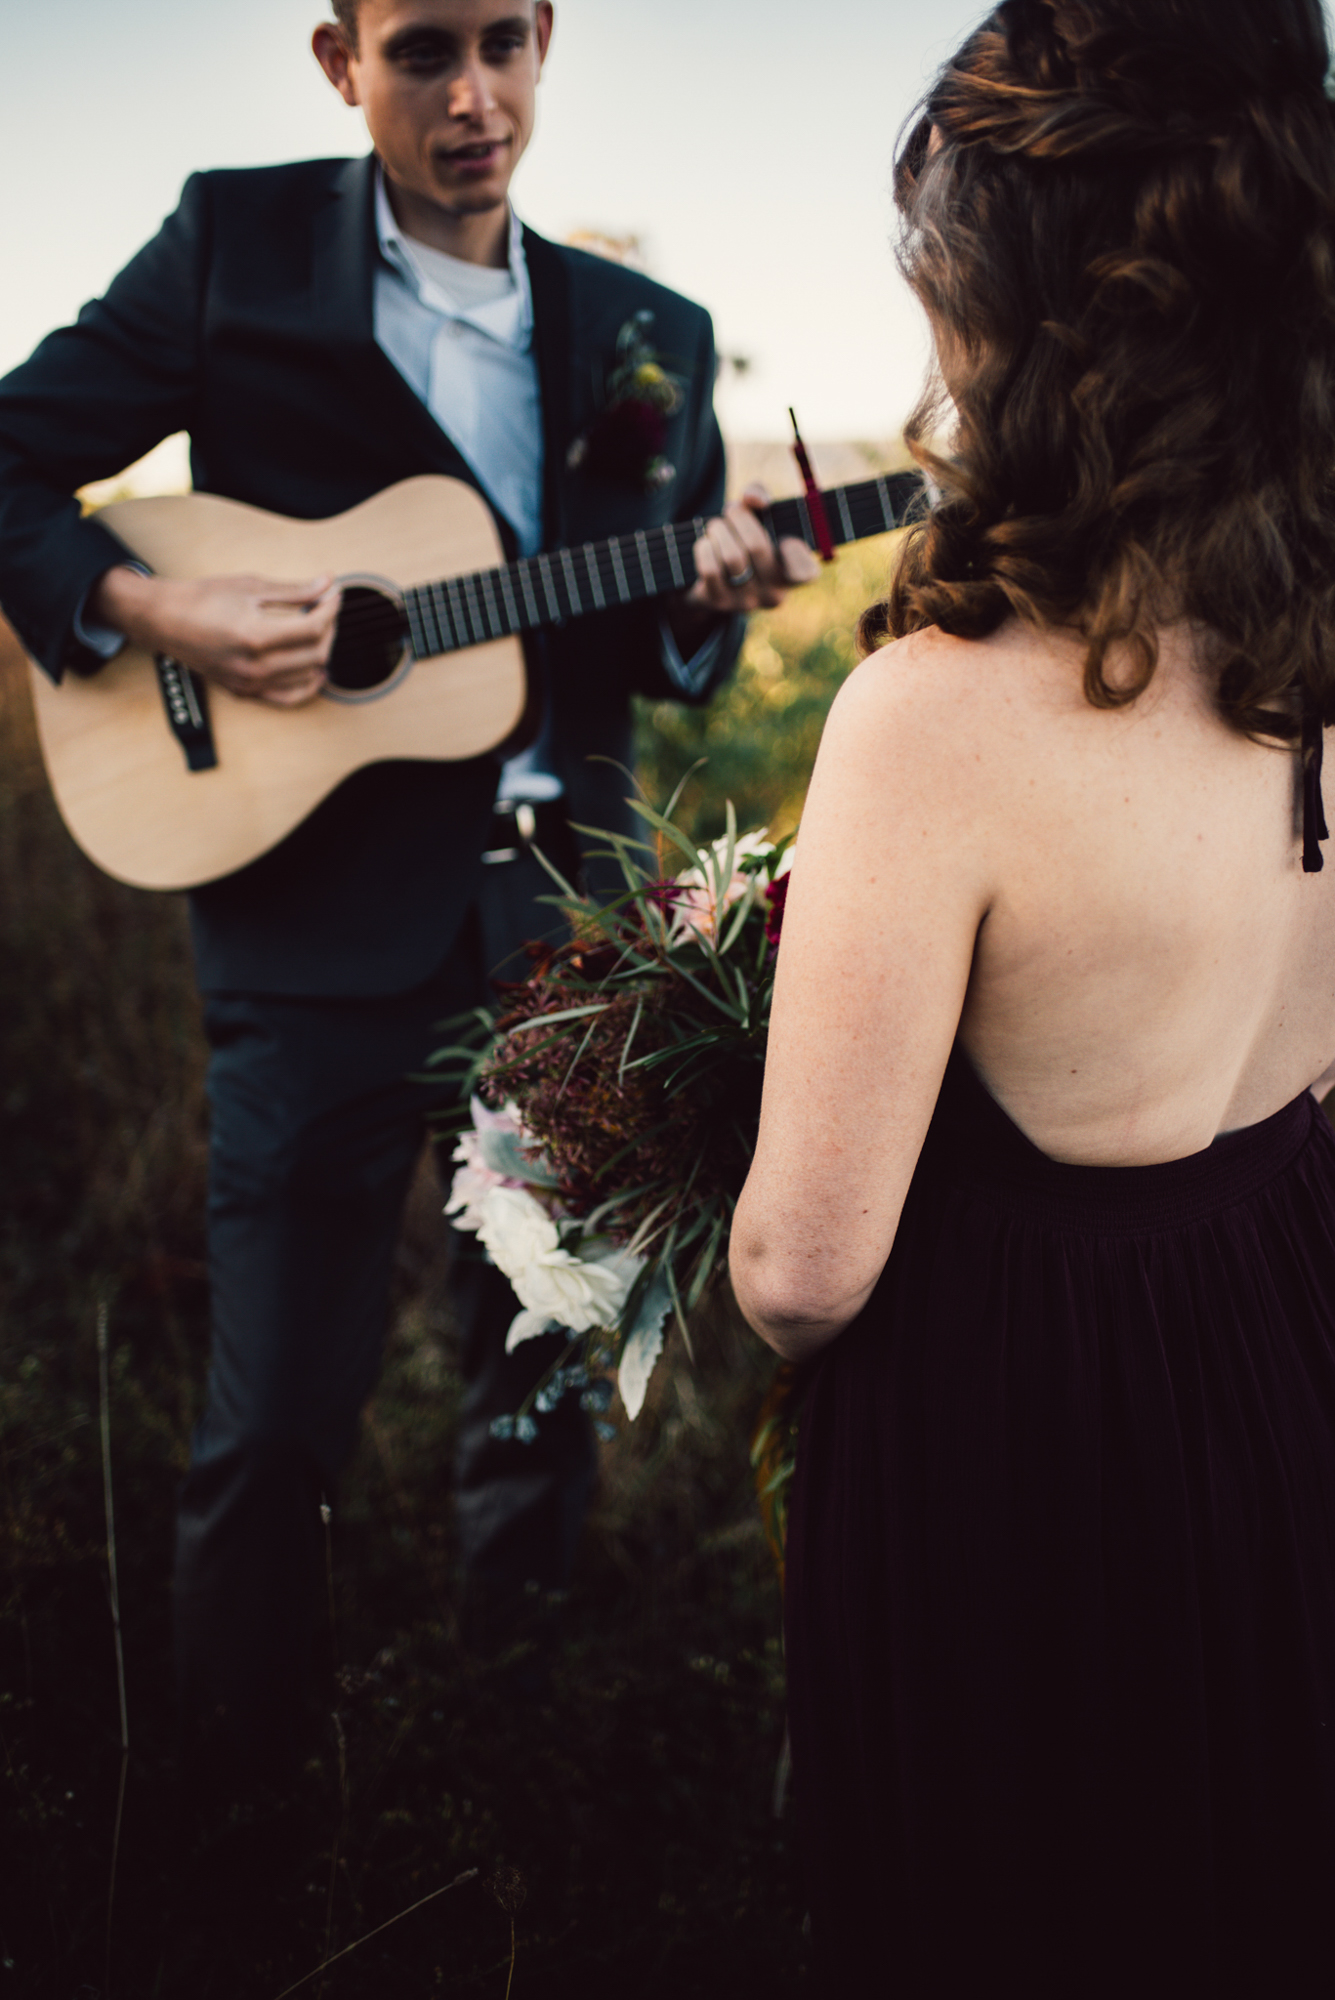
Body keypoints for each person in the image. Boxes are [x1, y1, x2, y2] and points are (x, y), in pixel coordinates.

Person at [0, 0, 815, 1775]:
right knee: (277, 1417)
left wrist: (710, 598)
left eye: (506, 45)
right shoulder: (235, 248)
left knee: (544, 1388)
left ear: (549, 45)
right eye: (421, 49)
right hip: (305, 935)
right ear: (335, 60)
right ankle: (236, 1811)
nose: (473, 96)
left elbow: (638, 646)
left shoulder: (645, 338)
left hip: (563, 948)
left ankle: (504, 1761)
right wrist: (163, 606)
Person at [730, 0, 1335, 1991]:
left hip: (1032, 1444)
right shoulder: (1309, 630)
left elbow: (801, 1271)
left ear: (1032, 317)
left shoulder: (934, 716)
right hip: (1274, 1323)